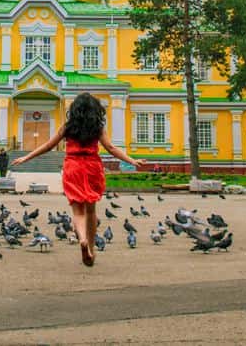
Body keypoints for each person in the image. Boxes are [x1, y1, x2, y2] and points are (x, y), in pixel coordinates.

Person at [10, 92, 145, 267]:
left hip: (73, 167)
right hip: (91, 168)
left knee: (78, 212)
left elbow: (48, 145)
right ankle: (91, 248)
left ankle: (81, 240)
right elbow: (111, 148)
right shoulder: (97, 127)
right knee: (91, 211)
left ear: (75, 110)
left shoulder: (67, 127)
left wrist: (26, 157)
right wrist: (131, 160)